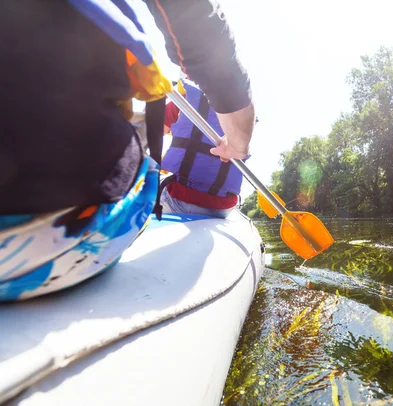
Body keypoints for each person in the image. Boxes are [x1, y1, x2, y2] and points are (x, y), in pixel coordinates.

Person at [0, 0, 255, 301]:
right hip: (79, 233)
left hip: (176, 195)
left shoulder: (179, 105)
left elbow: (154, 132)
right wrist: (239, 139)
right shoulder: (232, 118)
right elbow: (196, 19)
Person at [161, 79, 247, 218]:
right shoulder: (243, 113)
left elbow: (146, 138)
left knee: (150, 183)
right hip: (225, 207)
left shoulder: (182, 100)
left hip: (181, 200)